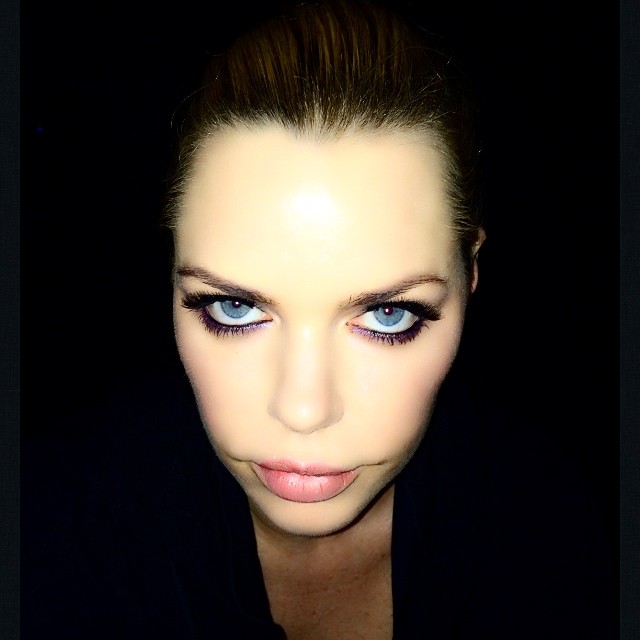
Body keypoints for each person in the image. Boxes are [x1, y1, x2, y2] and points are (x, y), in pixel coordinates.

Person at [22, 1, 616, 638]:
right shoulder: (47, 527)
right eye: (234, 308)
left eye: (388, 315)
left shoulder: (550, 529)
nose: (303, 411)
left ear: (470, 274)